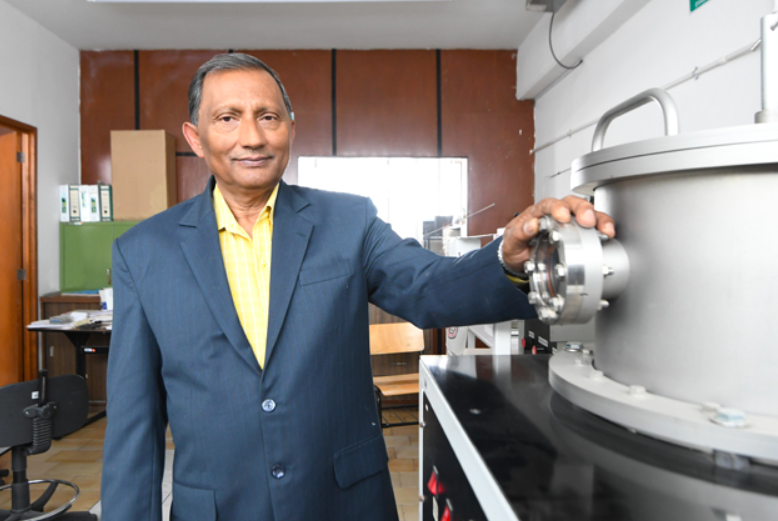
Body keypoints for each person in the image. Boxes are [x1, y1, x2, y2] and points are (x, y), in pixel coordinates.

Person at [100, 53, 614, 521]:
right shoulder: (143, 253)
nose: (252, 137)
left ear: (290, 128)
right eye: (227, 118)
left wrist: (509, 258)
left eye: (268, 116)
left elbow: (429, 287)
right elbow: (133, 427)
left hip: (343, 503)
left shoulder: (348, 222)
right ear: (196, 138)